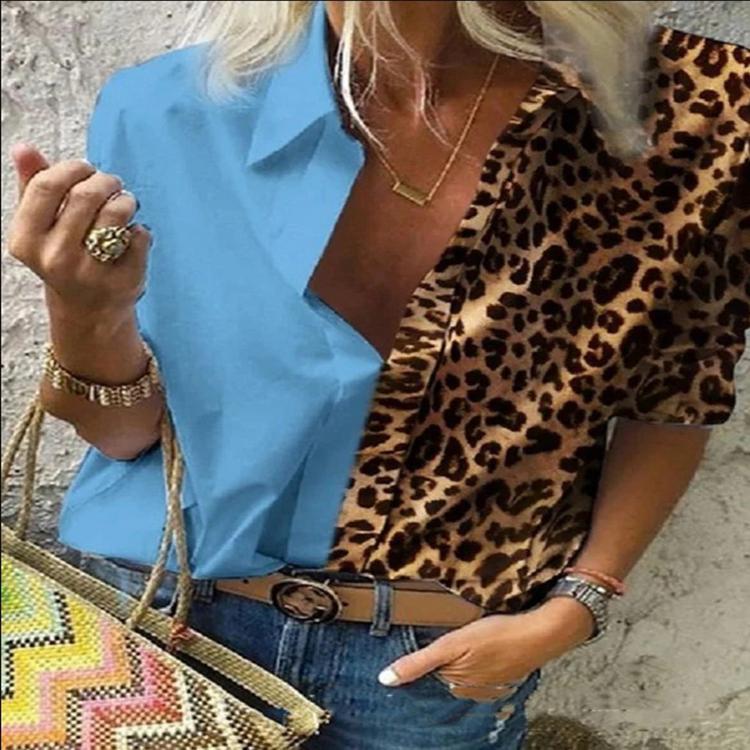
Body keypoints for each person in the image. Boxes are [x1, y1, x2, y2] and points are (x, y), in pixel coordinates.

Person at [6, 1, 748, 747]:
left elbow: (678, 390)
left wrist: (578, 604)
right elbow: (126, 435)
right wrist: (83, 307)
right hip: (162, 626)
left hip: (426, 676)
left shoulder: (689, 112)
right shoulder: (172, 106)